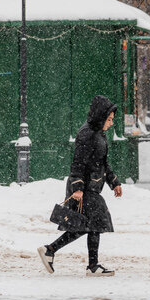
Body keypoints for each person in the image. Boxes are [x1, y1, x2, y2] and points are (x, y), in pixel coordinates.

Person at [37, 95, 122, 277]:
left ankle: (50, 250)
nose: (111, 123)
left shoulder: (98, 133)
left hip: (91, 187)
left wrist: (113, 182)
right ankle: (92, 266)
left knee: (85, 226)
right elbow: (78, 163)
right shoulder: (87, 134)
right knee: (95, 223)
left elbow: (102, 163)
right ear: (101, 117)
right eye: (109, 119)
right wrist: (77, 187)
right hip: (84, 189)